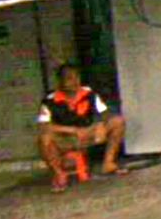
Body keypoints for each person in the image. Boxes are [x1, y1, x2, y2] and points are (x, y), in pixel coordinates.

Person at [38, 63, 127, 192]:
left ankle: (108, 163)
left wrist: (100, 125)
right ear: (61, 81)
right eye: (69, 78)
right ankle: (59, 175)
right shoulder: (49, 101)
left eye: (76, 77)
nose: (74, 82)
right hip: (66, 139)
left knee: (117, 121)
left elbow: (105, 113)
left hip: (88, 133)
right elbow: (44, 126)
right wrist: (73, 130)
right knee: (44, 139)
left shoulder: (89, 94)